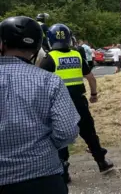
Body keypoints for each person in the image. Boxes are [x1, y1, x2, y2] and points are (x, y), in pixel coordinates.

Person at [0, 16, 79, 194]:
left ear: (2, 44)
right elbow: (67, 132)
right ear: (37, 47)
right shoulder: (50, 81)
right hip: (43, 179)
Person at [39, 24, 114, 183]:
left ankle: (64, 172)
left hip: (58, 103)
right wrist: (94, 94)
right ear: (69, 38)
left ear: (50, 40)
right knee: (89, 132)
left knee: (61, 134)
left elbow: (40, 82)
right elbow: (91, 78)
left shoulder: (49, 58)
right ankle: (101, 162)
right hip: (79, 101)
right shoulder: (77, 54)